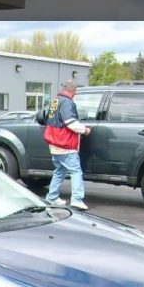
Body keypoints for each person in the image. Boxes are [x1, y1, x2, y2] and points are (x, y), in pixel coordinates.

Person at [43, 80, 92, 210]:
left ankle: (52, 197)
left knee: (59, 171)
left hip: (54, 143)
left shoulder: (56, 101)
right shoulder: (67, 102)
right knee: (76, 171)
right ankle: (76, 199)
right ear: (73, 90)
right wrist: (85, 130)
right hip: (65, 144)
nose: (75, 93)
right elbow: (71, 123)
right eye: (75, 90)